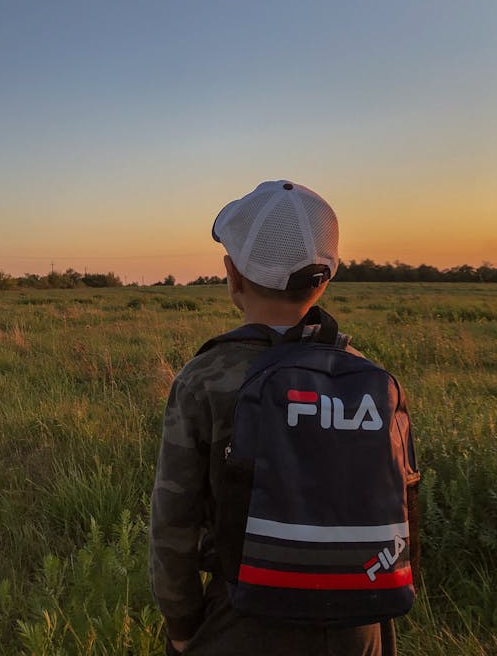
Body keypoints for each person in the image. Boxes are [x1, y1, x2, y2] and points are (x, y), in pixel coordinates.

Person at [150, 180, 417, 655]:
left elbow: (173, 525)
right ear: (325, 278)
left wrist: (183, 627)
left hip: (243, 618)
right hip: (359, 626)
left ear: (232, 275)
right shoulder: (370, 376)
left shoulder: (204, 379)